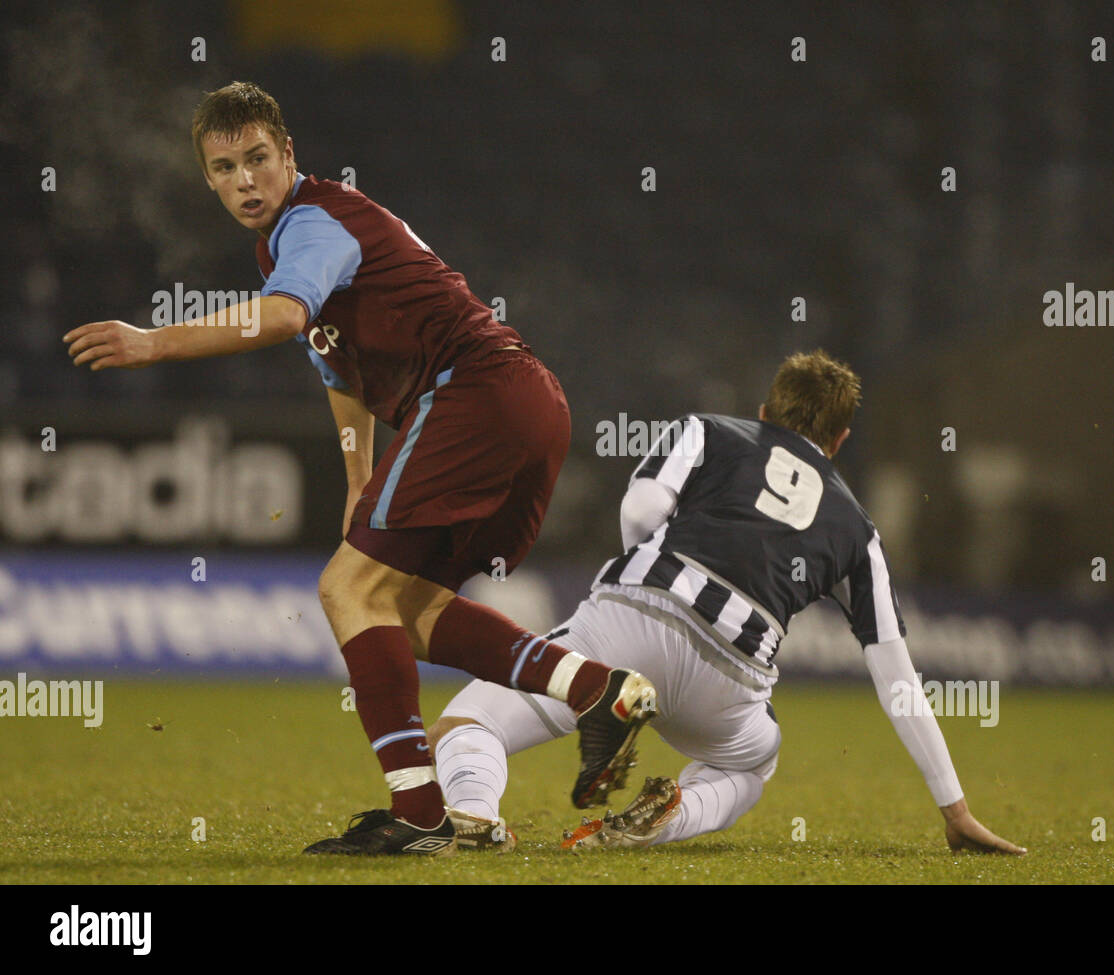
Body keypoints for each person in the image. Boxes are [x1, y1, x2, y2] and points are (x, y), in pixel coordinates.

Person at [62, 80, 656, 857]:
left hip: (477, 392)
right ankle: (597, 690)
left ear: (289, 156)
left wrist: (151, 340)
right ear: (206, 177)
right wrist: (356, 480)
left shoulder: (312, 222)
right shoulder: (303, 236)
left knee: (344, 588)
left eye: (257, 158)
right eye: (224, 167)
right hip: (528, 408)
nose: (245, 180)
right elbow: (340, 371)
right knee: (409, 609)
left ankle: (417, 812)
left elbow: (284, 319)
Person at [428, 350, 1026, 855]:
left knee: (468, 722)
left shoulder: (708, 429)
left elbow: (639, 511)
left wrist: (653, 583)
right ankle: (668, 815)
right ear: (839, 441)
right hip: (730, 677)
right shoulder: (858, 529)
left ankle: (475, 815)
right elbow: (897, 678)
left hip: (630, 624)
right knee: (748, 767)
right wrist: (954, 808)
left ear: (764, 413)